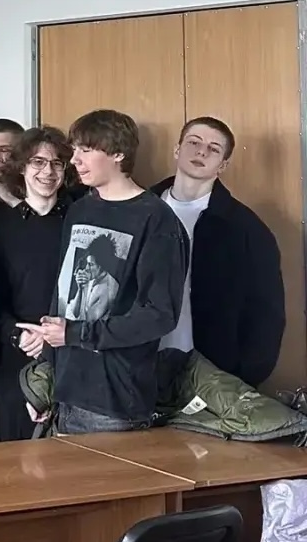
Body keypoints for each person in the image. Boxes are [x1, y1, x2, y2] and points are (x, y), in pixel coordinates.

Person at [20, 110, 188, 435]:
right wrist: (43, 381)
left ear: (118, 153)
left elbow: (159, 314)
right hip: (65, 392)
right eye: (75, 150)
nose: (74, 160)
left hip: (115, 400)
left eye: (86, 150)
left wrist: (76, 334)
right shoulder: (80, 209)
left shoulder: (156, 219)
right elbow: (62, 300)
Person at [150, 117, 284, 387]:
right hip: (138, 366)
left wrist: (244, 377)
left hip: (211, 375)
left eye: (213, 148)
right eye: (194, 142)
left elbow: (266, 313)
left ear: (222, 165)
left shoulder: (246, 230)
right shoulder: (139, 211)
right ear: (177, 150)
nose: (201, 152)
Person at [0, 127, 72, 441]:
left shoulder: (81, 223)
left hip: (71, 354)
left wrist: (57, 334)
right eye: (38, 162)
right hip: (16, 355)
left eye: (57, 163)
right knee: (17, 457)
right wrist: (17, 334)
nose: (48, 171)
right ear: (21, 167)